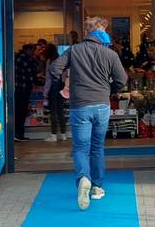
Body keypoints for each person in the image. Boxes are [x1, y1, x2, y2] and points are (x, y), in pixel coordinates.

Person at [50, 17, 127, 210]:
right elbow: (122, 80)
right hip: (101, 105)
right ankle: (97, 187)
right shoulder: (110, 54)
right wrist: (109, 89)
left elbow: (54, 69)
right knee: (97, 147)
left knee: (80, 148)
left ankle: (84, 177)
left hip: (79, 105)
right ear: (99, 31)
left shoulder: (74, 50)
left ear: (86, 32)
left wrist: (65, 85)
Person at [41, 43, 67, 142]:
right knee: (61, 111)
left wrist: (45, 93)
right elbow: (64, 75)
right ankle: (63, 134)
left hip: (53, 88)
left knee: (53, 112)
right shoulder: (61, 59)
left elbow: (48, 79)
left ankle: (54, 135)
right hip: (61, 87)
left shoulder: (49, 61)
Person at [13, 43, 39, 142]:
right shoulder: (26, 60)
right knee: (21, 112)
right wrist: (40, 82)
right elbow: (31, 75)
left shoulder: (18, 58)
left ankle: (17, 134)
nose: (34, 52)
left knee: (18, 112)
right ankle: (19, 134)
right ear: (28, 49)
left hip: (17, 89)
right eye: (33, 50)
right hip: (23, 90)